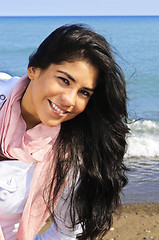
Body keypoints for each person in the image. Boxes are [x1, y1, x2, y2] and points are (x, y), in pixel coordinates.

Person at [0, 24, 129, 240]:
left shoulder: (70, 159)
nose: (70, 100)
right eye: (64, 80)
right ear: (34, 70)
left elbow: (66, 235)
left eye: (84, 92)